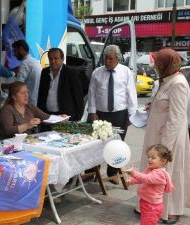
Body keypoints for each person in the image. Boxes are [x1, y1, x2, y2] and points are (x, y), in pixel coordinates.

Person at [137, 48, 190, 224]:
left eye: (159, 63)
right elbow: (163, 104)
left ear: (167, 64)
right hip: (156, 137)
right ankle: (148, 205)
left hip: (168, 141)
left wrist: (164, 149)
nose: (156, 67)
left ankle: (172, 211)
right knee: (152, 173)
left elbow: (175, 118)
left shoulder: (179, 83)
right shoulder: (166, 80)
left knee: (169, 175)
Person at [87, 44, 137, 184]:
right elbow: (92, 94)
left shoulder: (126, 72)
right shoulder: (97, 72)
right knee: (96, 144)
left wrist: (131, 115)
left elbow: (131, 94)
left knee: (117, 144)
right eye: (105, 58)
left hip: (120, 114)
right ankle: (91, 172)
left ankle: (113, 172)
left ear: (117, 59)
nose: (107, 61)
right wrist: (92, 112)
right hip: (100, 115)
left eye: (110, 59)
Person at [124, 144, 174, 225]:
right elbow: (142, 178)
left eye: (153, 158)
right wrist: (131, 180)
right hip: (148, 203)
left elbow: (146, 179)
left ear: (163, 161)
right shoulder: (152, 169)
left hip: (152, 207)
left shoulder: (160, 174)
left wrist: (133, 173)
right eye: (149, 157)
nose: (149, 159)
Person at [37, 48, 84, 121]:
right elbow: (41, 94)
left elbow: (78, 97)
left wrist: (77, 117)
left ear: (62, 59)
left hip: (64, 116)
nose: (53, 61)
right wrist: (39, 114)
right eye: (50, 58)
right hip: (47, 116)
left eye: (56, 58)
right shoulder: (45, 72)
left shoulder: (71, 73)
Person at [1, 39, 42, 106]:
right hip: (36, 102)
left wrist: (4, 85)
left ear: (21, 49)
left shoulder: (25, 63)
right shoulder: (35, 61)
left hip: (29, 103)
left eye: (15, 51)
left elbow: (17, 86)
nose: (14, 54)